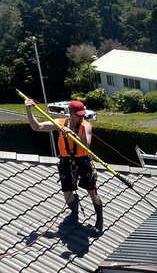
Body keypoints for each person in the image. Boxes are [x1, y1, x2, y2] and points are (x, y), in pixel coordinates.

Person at [24, 98, 103, 232]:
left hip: (82, 161)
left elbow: (86, 144)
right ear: (70, 113)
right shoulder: (60, 123)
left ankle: (99, 221)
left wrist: (73, 135)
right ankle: (74, 214)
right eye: (78, 115)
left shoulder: (86, 126)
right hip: (66, 161)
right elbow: (36, 126)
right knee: (67, 191)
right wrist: (28, 109)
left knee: (92, 191)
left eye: (82, 115)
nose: (81, 117)